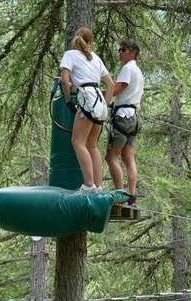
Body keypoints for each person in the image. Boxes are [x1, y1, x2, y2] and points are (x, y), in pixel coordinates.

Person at [60, 27, 114, 192]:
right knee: (92, 145)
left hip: (87, 99)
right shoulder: (96, 59)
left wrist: (69, 100)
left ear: (76, 39)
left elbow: (64, 80)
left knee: (77, 142)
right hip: (99, 102)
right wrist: (105, 103)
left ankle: (89, 185)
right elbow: (111, 84)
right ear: (90, 42)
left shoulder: (70, 55)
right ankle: (98, 186)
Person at [105, 39, 144, 205]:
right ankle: (132, 197)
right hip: (134, 118)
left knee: (111, 157)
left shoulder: (127, 68)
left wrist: (100, 94)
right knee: (129, 159)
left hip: (122, 117)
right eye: (119, 50)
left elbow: (118, 89)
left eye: (123, 50)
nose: (120, 53)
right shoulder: (138, 71)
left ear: (132, 52)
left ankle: (121, 194)